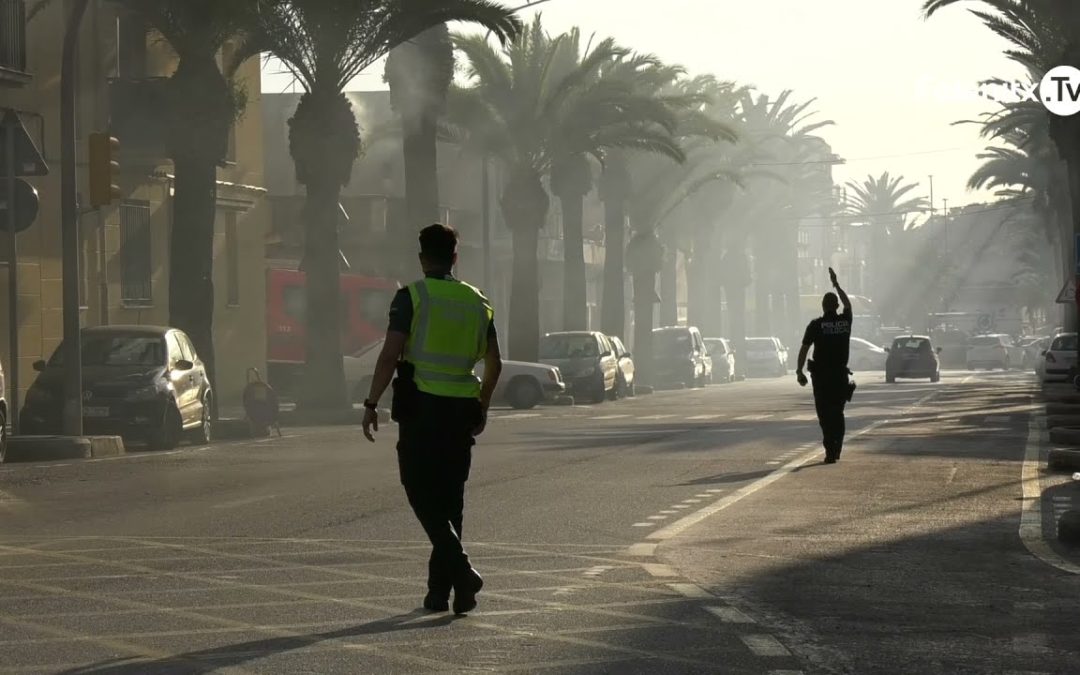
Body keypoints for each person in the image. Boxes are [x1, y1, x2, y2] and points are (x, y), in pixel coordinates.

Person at [361, 223, 503, 615]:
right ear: (455, 257)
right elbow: (495, 362)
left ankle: (462, 573)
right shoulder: (478, 301)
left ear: (422, 258)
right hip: (461, 410)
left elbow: (390, 354)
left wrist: (372, 402)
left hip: (423, 407)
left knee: (418, 488)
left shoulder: (412, 297)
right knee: (450, 498)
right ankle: (444, 592)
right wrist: (483, 404)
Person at [796, 267, 853, 464]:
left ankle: (830, 449)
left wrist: (799, 371)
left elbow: (804, 349)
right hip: (839, 376)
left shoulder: (816, 325)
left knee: (824, 416)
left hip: (821, 378)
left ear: (823, 306)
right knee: (838, 413)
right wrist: (836, 285)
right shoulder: (845, 321)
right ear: (836, 306)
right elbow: (848, 304)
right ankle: (836, 448)